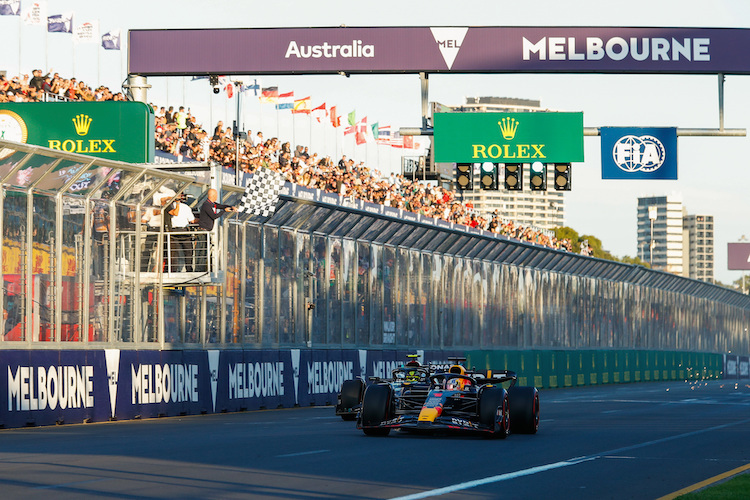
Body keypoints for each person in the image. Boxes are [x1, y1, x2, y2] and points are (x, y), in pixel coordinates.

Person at [197, 188, 235, 272]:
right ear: (213, 196)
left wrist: (231, 207)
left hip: (206, 231)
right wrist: (223, 211)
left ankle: (202, 267)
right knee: (202, 250)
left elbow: (220, 206)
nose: (217, 197)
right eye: (216, 195)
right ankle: (199, 268)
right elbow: (213, 216)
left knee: (205, 250)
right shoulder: (206, 205)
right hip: (203, 231)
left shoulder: (211, 204)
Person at [168, 194, 197, 272]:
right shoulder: (186, 207)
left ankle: (173, 270)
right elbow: (192, 220)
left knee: (174, 252)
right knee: (188, 251)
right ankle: (189, 269)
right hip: (184, 231)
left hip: (174, 231)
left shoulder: (169, 207)